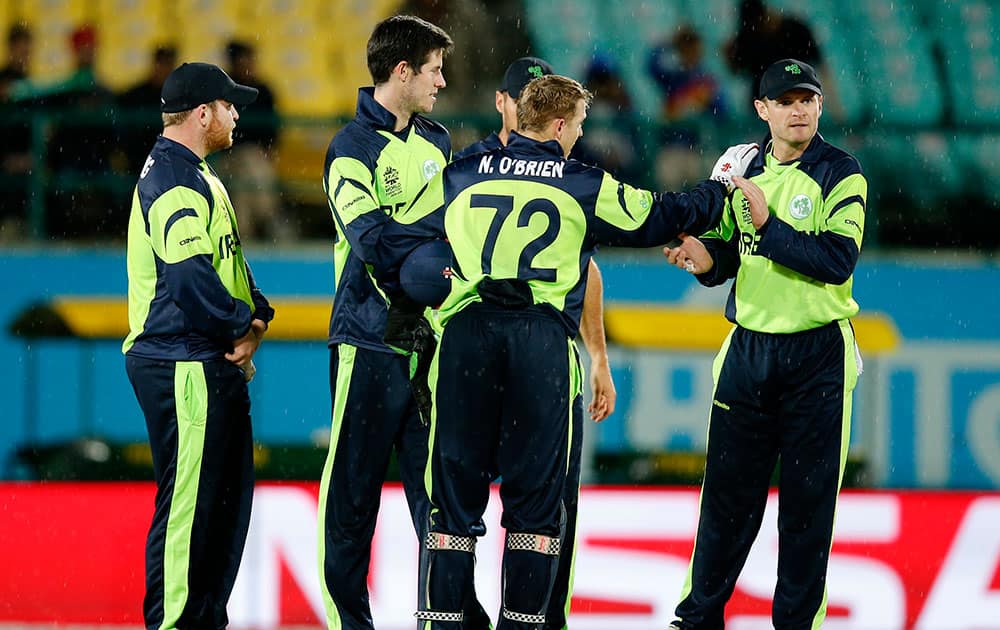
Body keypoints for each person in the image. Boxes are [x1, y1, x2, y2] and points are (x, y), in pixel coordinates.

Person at [374, 73, 756, 628]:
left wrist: (409, 305)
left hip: (467, 338)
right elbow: (660, 215)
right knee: (535, 505)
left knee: (452, 502)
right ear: (558, 125)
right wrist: (720, 194)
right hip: (540, 341)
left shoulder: (458, 174)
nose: (578, 134)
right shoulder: (580, 181)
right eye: (577, 124)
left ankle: (441, 620)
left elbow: (400, 240)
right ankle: (523, 622)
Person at [662, 58, 866, 630]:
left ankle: (797, 625)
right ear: (762, 110)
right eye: (786, 100)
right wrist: (706, 262)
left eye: (808, 99)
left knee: (806, 508)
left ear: (820, 106)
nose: (798, 109)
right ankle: (697, 618)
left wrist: (770, 224)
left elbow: (835, 260)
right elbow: (734, 251)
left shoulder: (842, 172)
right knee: (726, 501)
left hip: (817, 357)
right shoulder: (741, 165)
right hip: (748, 351)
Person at [317, 14, 490, 629]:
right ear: (402, 71)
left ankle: (447, 617)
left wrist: (421, 247)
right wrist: (428, 238)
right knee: (351, 500)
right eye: (435, 68)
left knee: (439, 499)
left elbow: (431, 240)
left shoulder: (437, 142)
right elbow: (371, 243)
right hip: (366, 340)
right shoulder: (349, 149)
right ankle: (350, 624)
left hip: (427, 344)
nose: (442, 80)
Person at [455, 56, 617, 630]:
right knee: (458, 501)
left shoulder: (558, 172)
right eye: (524, 92)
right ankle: (458, 617)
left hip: (538, 357)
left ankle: (539, 619)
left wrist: (597, 356)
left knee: (550, 503)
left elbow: (586, 269)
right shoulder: (466, 167)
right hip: (488, 357)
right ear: (505, 103)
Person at [122, 61, 274, 630]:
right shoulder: (173, 179)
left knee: (222, 507)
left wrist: (255, 316)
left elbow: (225, 263)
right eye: (229, 104)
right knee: (191, 510)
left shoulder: (195, 174)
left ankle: (204, 619)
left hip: (201, 359)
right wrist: (240, 324)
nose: (237, 113)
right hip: (182, 360)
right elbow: (189, 281)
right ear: (203, 112)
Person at [212, 40, 286, 241]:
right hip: (227, 157)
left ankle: (243, 234)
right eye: (244, 59)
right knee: (246, 168)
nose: (249, 64)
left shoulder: (263, 90)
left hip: (254, 158)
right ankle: (269, 218)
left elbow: (273, 133)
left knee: (244, 177)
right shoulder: (222, 90)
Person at [647, 24, 727, 190]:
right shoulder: (673, 77)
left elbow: (722, 112)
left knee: (708, 198)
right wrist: (668, 43)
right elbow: (650, 65)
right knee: (669, 200)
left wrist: (705, 104)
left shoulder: (706, 79)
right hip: (673, 147)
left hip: (700, 148)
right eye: (686, 48)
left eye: (694, 48)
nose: (691, 53)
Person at [724, 0, 822, 106]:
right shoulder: (750, 37)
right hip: (764, 102)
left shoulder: (796, 31)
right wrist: (728, 57)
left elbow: (821, 66)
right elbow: (737, 70)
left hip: (794, 95)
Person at [118, 45, 178, 173]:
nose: (164, 69)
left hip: (169, 163)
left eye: (168, 64)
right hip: (139, 160)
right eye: (162, 63)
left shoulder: (179, 97)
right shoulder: (135, 96)